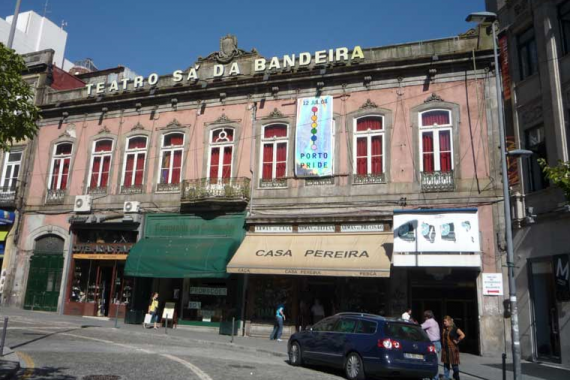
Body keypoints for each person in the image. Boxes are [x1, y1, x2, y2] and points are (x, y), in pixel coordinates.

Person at [442, 315, 465, 380]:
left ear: (449, 321)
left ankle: (456, 376)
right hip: (445, 349)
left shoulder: (455, 328)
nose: (444, 323)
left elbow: (462, 335)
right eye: (444, 321)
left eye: (445, 321)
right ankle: (446, 377)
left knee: (454, 366)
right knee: (446, 364)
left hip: (453, 349)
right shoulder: (444, 328)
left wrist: (457, 340)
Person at [421, 310, 441, 380]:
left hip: (433, 343)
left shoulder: (429, 321)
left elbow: (420, 327)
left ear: (426, 316)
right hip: (438, 343)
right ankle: (434, 377)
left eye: (424, 316)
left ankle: (435, 377)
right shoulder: (435, 321)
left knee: (432, 361)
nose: (424, 318)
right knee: (435, 361)